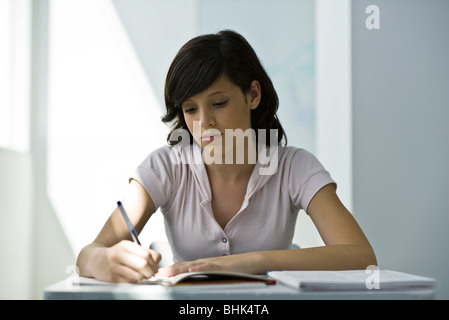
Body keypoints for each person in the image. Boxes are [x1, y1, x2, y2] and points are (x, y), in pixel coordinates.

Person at [76, 30, 377, 282]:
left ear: (253, 95)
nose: (204, 121)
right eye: (190, 109)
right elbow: (88, 255)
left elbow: (361, 257)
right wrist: (103, 260)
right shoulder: (165, 167)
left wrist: (250, 262)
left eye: (218, 103)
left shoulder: (294, 167)